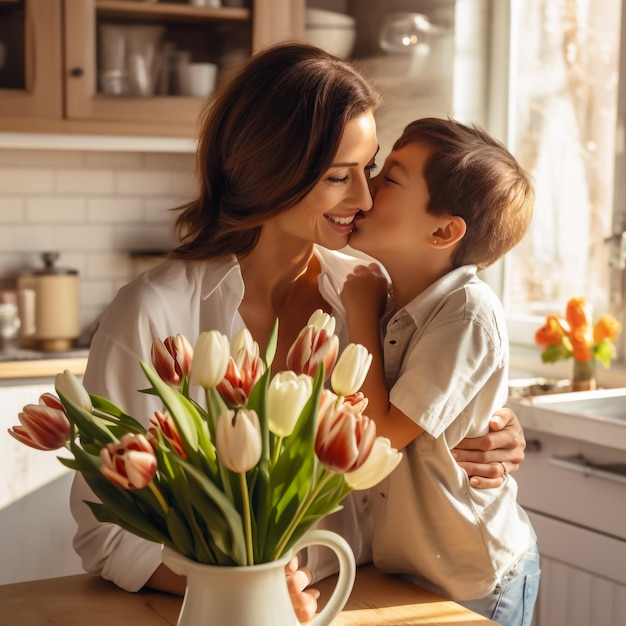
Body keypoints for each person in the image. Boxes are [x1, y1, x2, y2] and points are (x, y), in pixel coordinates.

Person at [70, 43, 526, 606]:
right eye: (340, 176)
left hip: (379, 593)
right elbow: (106, 531)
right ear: (270, 171)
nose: (364, 197)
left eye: (372, 169)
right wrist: (242, 587)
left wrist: (493, 433)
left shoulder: (371, 292)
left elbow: (430, 409)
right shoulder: (154, 312)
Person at [335, 117, 540, 625]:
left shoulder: (467, 310)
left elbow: (379, 437)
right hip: (412, 567)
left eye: (390, 179)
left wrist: (361, 313)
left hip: (472, 575)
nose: (368, 188)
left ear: (444, 231)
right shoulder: (390, 294)